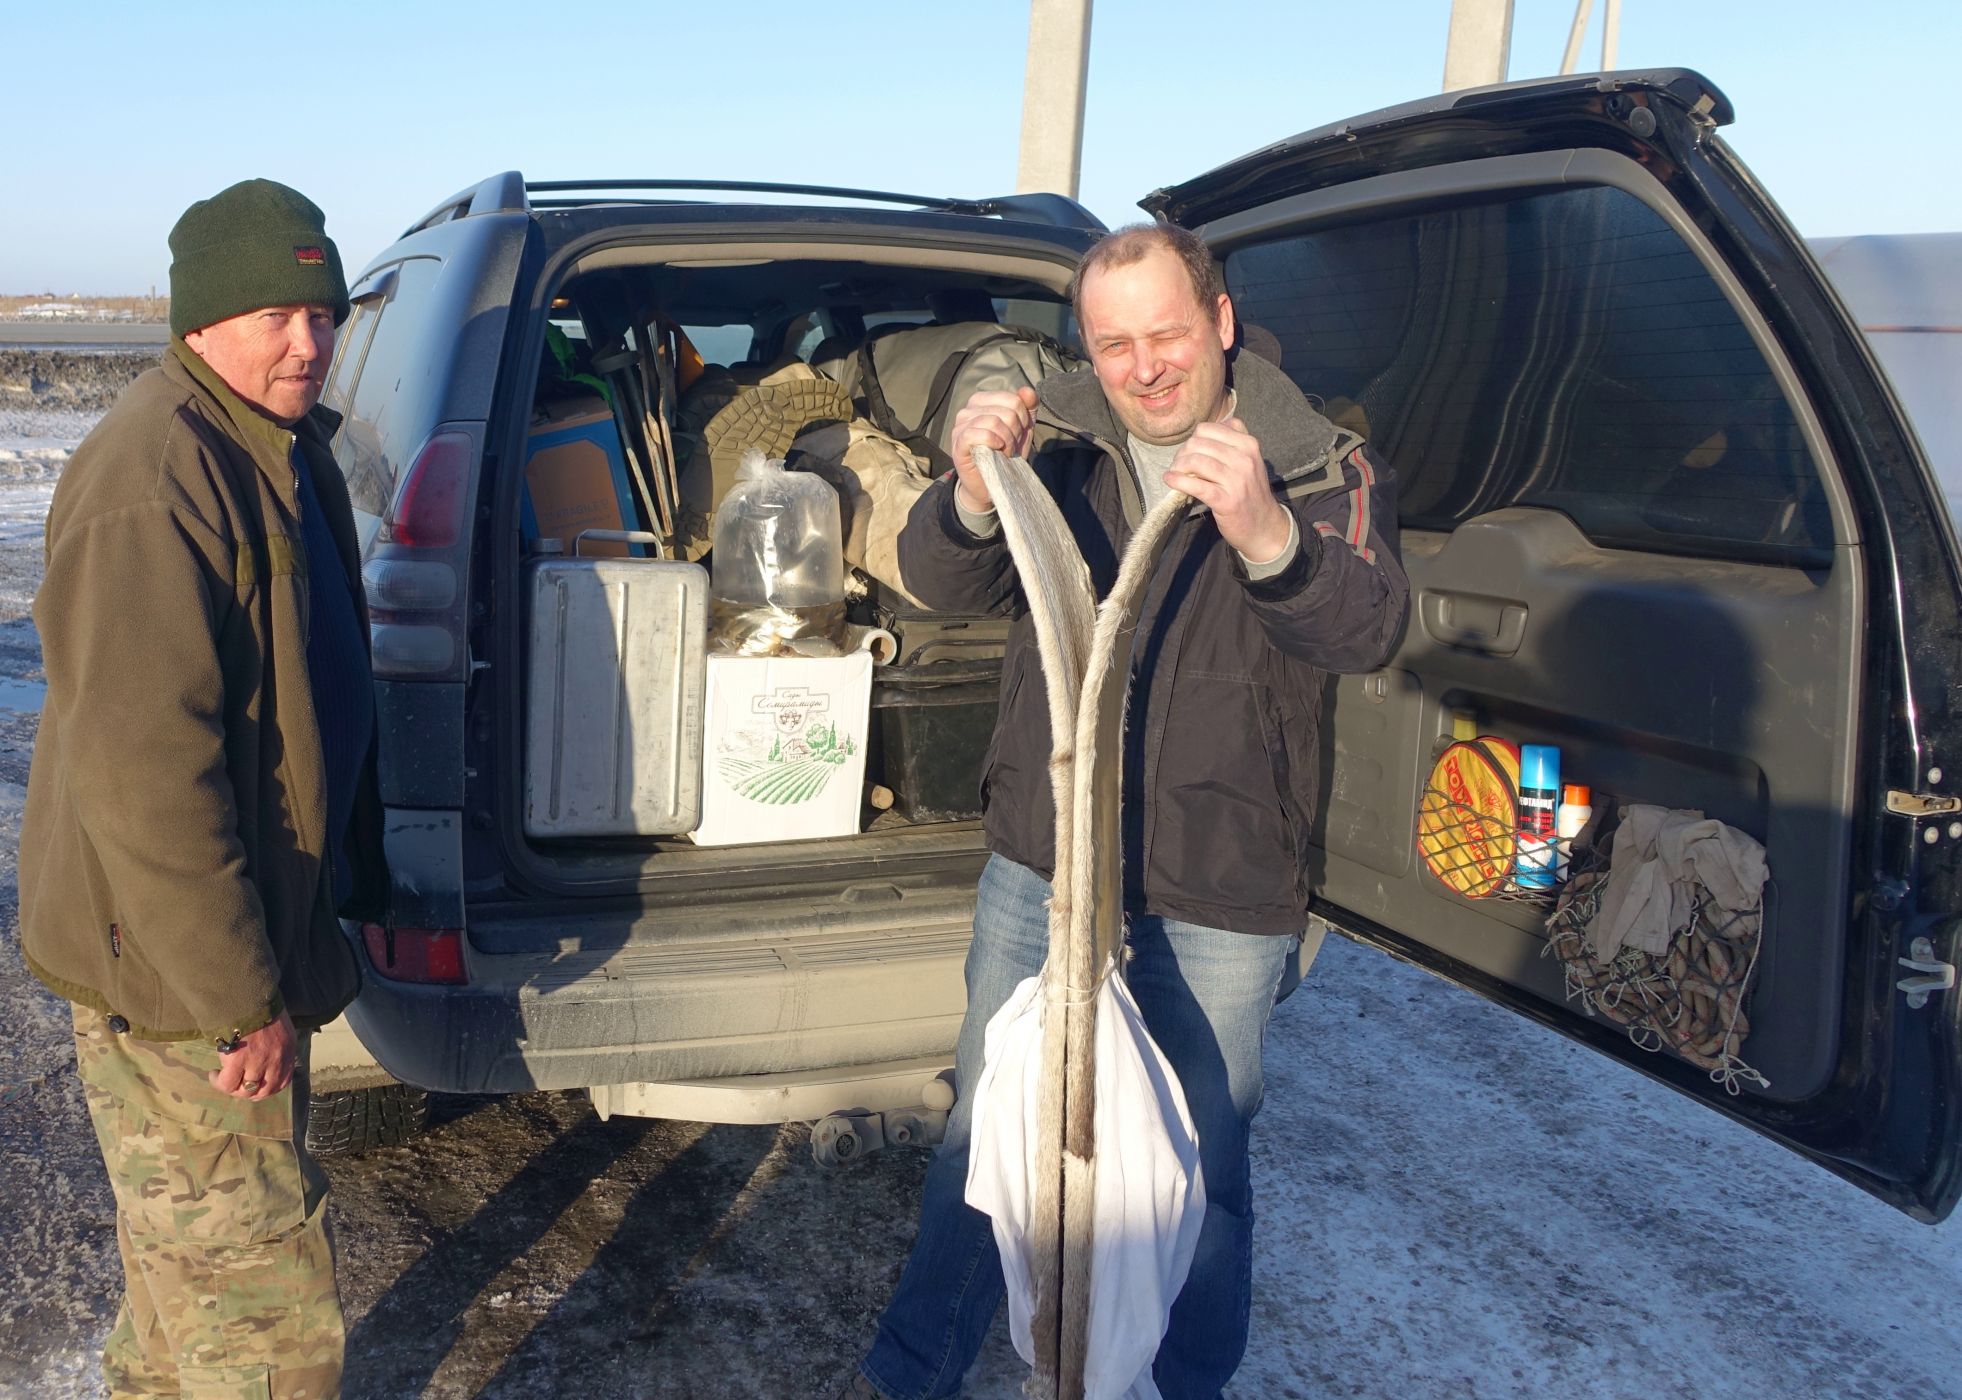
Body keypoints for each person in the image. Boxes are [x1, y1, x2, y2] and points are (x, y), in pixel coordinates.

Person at [848, 223, 1410, 1399]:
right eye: (1114, 344)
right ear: (1086, 347)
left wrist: (1266, 533)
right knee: (989, 1138)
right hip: (1043, 863)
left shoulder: (1319, 462)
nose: (1145, 367)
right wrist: (970, 490)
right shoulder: (1056, 442)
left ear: (1221, 321)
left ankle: (1184, 1381)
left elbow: (1366, 625)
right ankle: (911, 1374)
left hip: (1219, 883)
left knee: (1195, 1170)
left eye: (1167, 334)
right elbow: (945, 579)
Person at [20, 179, 386, 1400]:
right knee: (262, 1318)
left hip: (230, 949)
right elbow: (145, 776)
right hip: (185, 982)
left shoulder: (272, 445)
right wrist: (237, 996)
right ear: (201, 319)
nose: (308, 341)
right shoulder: (156, 477)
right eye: (276, 314)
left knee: (189, 1284)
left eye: (324, 315)